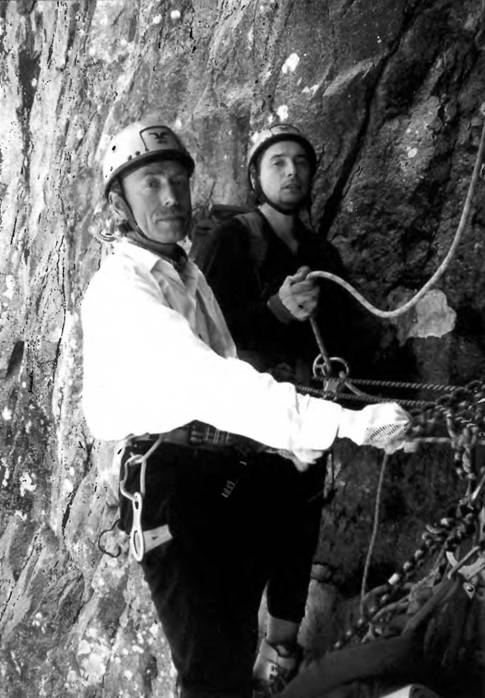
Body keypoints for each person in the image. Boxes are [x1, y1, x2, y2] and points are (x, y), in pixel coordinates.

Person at [81, 115, 410, 698]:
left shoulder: (183, 271)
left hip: (219, 468)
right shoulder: (124, 289)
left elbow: (227, 364)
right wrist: (344, 423)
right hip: (170, 483)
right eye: (151, 183)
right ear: (119, 203)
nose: (170, 196)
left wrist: (289, 434)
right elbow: (212, 380)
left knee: (232, 641)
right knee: (210, 668)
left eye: (178, 181)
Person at [192, 123, 379, 694]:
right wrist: (275, 309)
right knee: (246, 542)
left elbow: (346, 333)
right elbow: (203, 332)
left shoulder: (323, 256)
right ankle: (231, 660)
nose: (292, 171)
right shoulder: (230, 241)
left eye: (300, 162)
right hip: (248, 428)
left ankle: (281, 653)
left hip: (309, 416)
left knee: (298, 537)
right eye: (278, 162)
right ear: (256, 175)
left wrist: (345, 369)